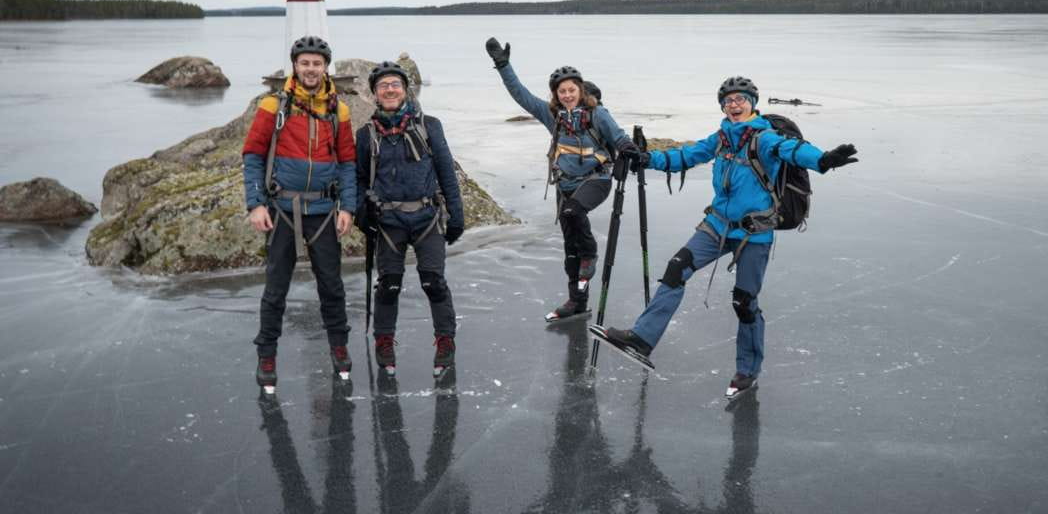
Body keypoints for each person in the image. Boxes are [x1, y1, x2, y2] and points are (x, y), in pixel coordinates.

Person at [601, 76, 859, 398]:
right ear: (723, 106)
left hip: (753, 232)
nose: (734, 105)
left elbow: (791, 150)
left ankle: (747, 371)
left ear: (752, 103)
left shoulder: (764, 137)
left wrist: (822, 161)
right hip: (717, 225)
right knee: (676, 268)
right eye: (728, 100)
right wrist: (648, 159)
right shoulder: (721, 138)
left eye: (741, 99)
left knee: (744, 302)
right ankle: (642, 339)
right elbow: (687, 155)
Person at [485, 37, 639, 322]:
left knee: (574, 214)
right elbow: (520, 94)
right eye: (562, 91)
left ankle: (590, 254)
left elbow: (618, 137)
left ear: (580, 90)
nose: (567, 94)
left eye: (571, 90)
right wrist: (503, 65)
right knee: (570, 250)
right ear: (556, 94)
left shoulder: (597, 113)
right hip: (565, 184)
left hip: (596, 180)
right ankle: (577, 301)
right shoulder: (551, 114)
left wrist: (629, 149)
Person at [242, 35, 358, 392]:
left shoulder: (338, 109)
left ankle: (339, 349)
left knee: (333, 288)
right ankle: (267, 355)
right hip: (282, 209)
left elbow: (349, 163)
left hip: (323, 210)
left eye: (317, 63)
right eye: (304, 63)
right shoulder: (272, 105)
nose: (311, 69)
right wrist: (256, 202)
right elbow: (253, 155)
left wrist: (348, 207)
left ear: (326, 67)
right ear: (295, 65)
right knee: (275, 289)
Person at [355, 61, 464, 377]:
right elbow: (360, 178)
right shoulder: (366, 134)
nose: (390, 89)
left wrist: (456, 215)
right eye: (383, 85)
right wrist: (364, 211)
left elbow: (446, 171)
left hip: (427, 216)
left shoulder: (430, 125)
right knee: (388, 285)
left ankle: (445, 343)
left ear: (405, 90)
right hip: (388, 223)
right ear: (375, 93)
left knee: (433, 282)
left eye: (395, 84)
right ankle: (384, 342)